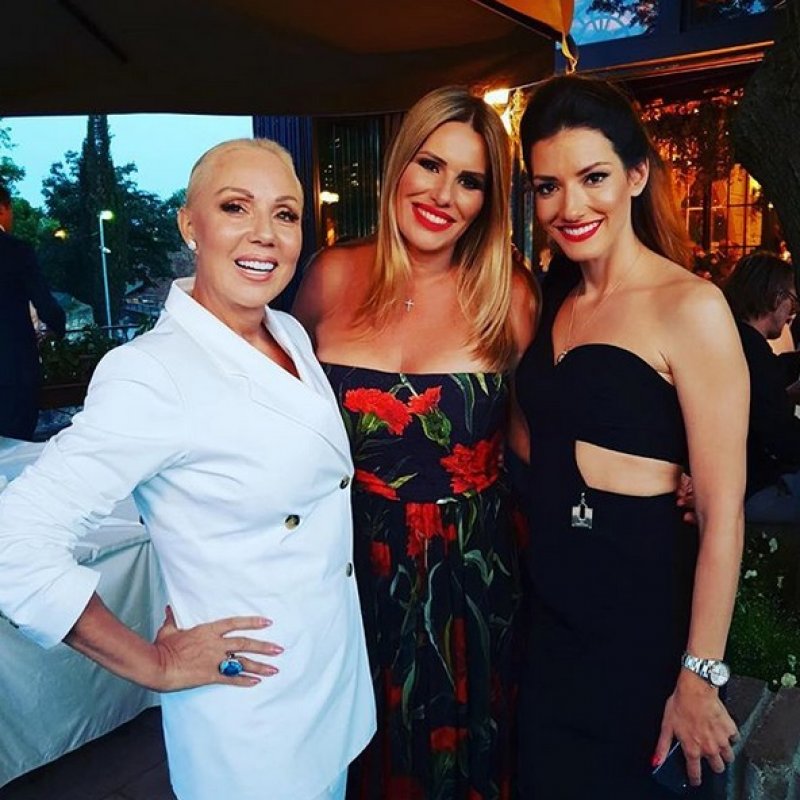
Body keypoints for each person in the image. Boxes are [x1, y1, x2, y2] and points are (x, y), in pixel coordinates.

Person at [0, 139, 375, 800]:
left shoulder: (287, 333)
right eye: (236, 207)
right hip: (249, 721)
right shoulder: (151, 374)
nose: (265, 233)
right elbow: (14, 542)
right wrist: (154, 665)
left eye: (285, 214)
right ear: (189, 224)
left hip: (329, 687)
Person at [293, 86, 537, 799]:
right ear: (398, 164)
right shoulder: (329, 276)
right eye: (430, 164)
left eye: (470, 180)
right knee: (350, 753)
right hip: (344, 568)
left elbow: (538, 444)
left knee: (461, 766)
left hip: (471, 580)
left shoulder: (510, 294)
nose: (443, 195)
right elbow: (277, 421)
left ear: (488, 200)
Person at [514, 75, 747, 799]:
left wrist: (699, 676)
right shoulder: (550, 299)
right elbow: (531, 442)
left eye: (593, 178)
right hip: (548, 632)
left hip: (640, 638)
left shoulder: (692, 307)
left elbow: (723, 515)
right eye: (548, 186)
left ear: (637, 175)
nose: (570, 206)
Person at [723, 250, 800, 524]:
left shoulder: (732, 339)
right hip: (755, 489)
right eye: (792, 301)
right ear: (777, 298)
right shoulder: (752, 352)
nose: (792, 312)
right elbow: (780, 436)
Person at [0, 184, 66, 440]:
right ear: (3, 209)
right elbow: (45, 304)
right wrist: (56, 328)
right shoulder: (16, 251)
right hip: (12, 368)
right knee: (14, 444)